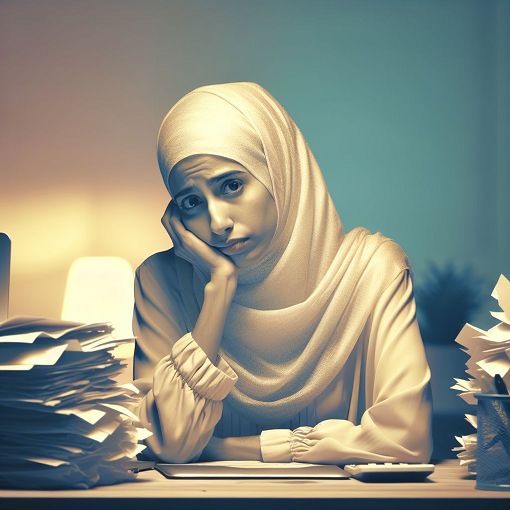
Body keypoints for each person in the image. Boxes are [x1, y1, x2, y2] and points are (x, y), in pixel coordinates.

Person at [133, 82, 433, 464]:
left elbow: (406, 440)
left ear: (278, 169)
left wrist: (231, 449)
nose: (217, 222)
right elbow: (168, 444)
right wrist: (219, 289)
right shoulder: (161, 281)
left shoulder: (373, 272)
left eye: (232, 185)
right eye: (191, 202)